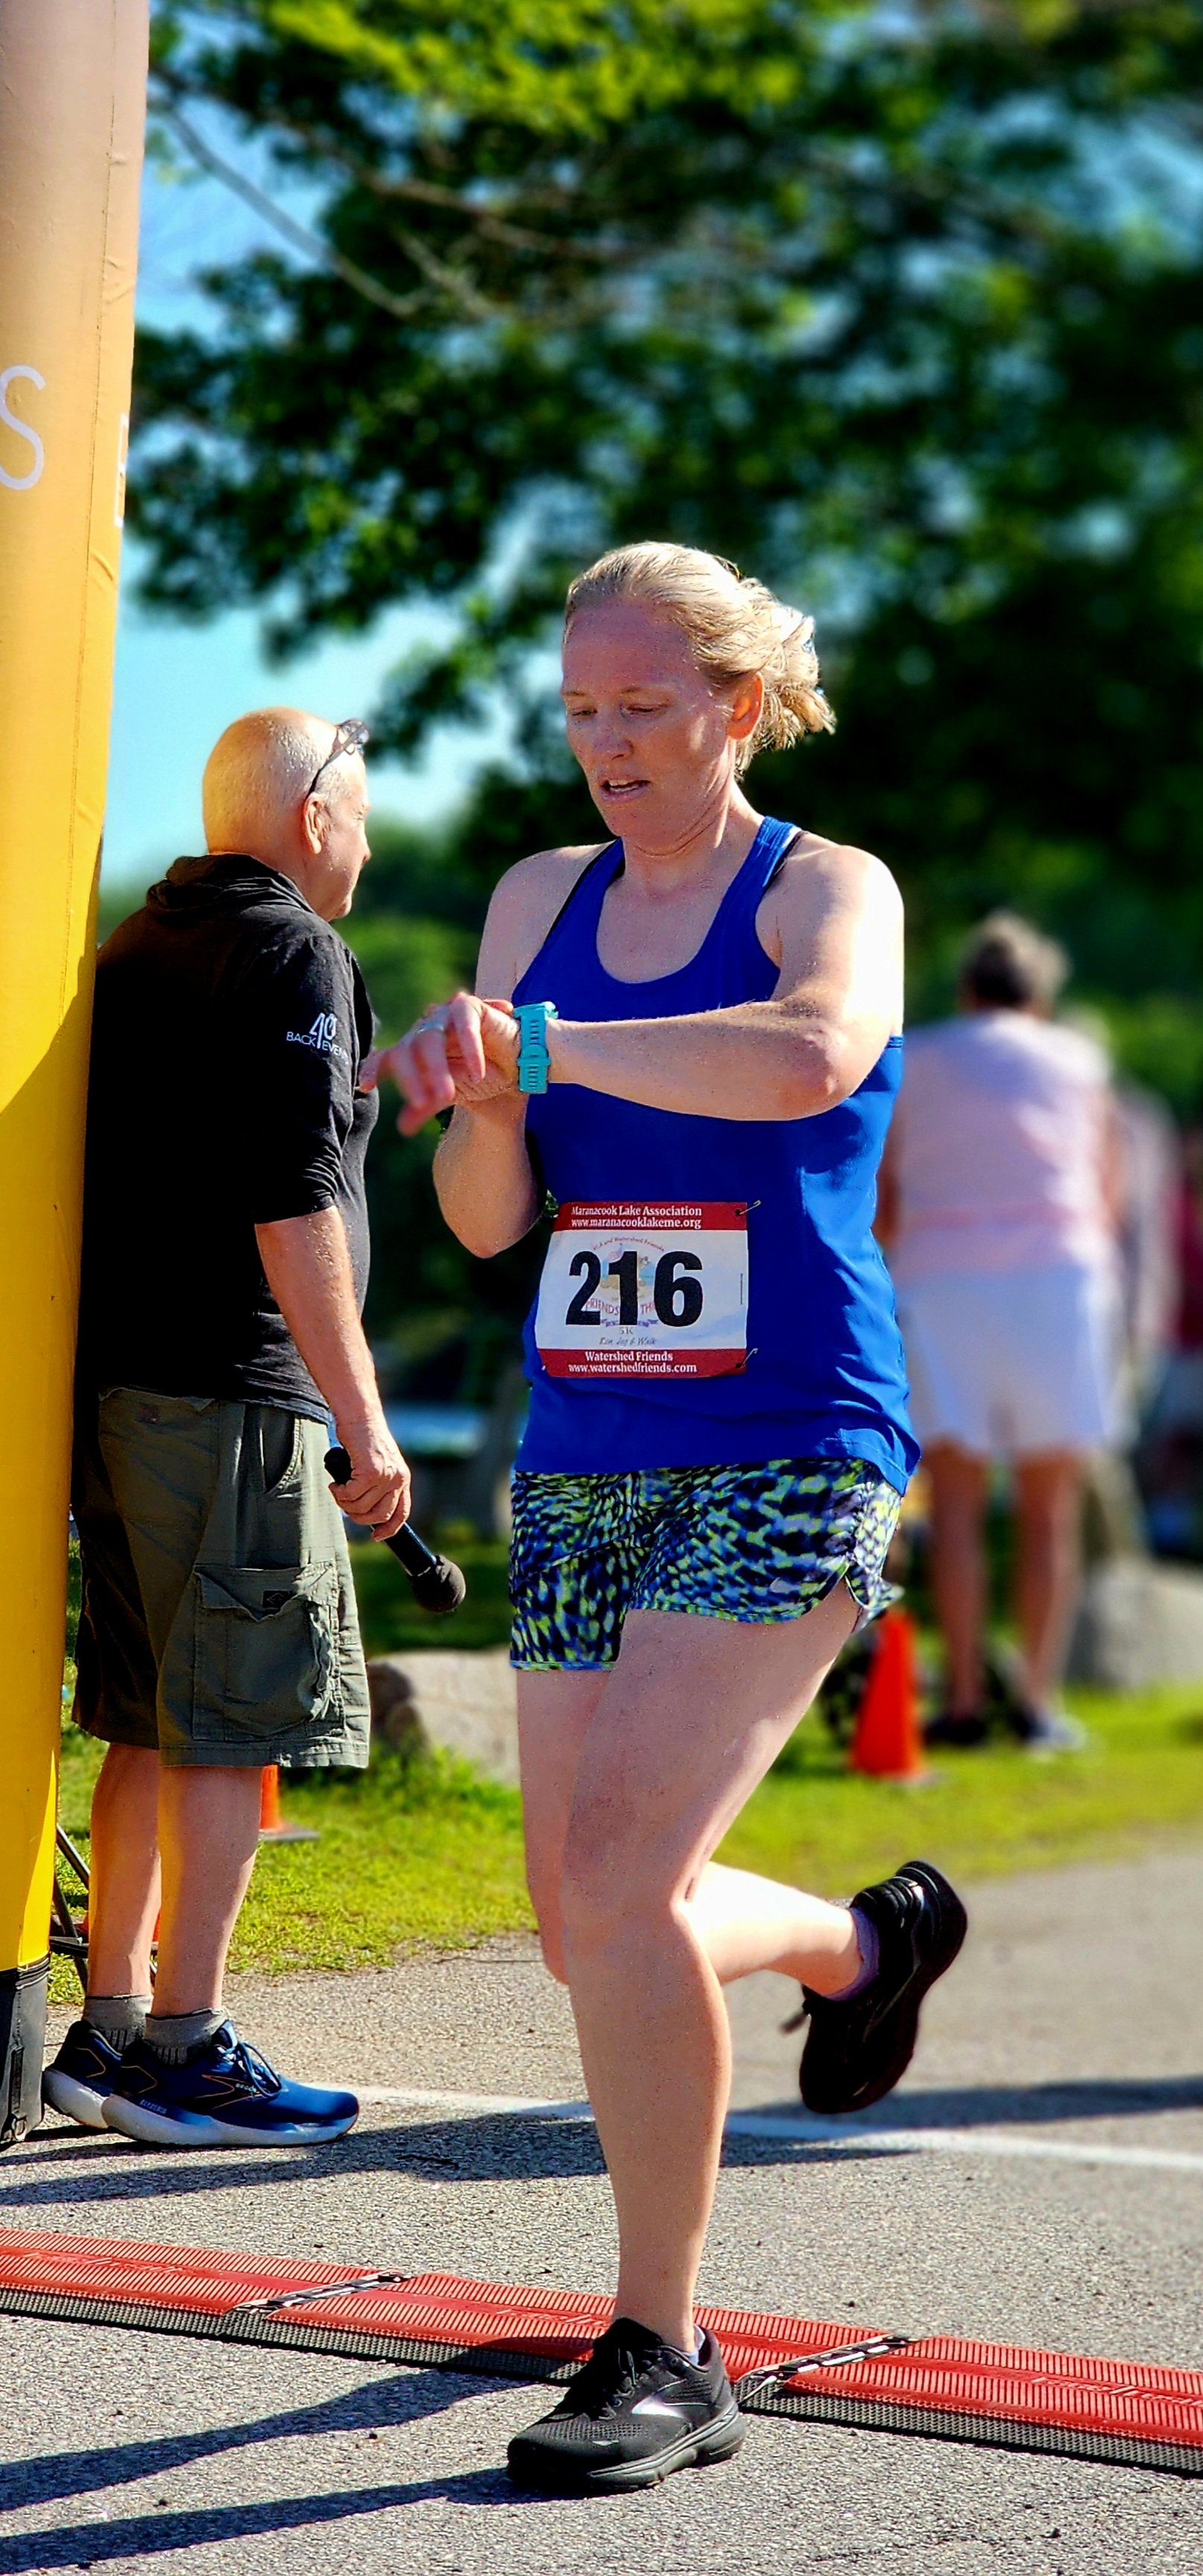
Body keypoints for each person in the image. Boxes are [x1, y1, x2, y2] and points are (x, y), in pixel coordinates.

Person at [374, 542, 966, 2496]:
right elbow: (488, 1221)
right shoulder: (536, 896)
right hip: (583, 1453)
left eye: (642, 707)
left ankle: (666, 2339)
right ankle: (850, 1952)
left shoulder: (824, 887)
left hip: (793, 1434)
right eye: (579, 711)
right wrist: (476, 1091)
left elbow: (810, 1054)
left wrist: (535, 1044)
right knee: (581, 1922)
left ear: (733, 703)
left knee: (620, 1885)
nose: (604, 744)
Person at [43, 709, 410, 2147]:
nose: (370, 844)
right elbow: (291, 1196)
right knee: (230, 1722)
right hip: (232, 1392)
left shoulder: (142, 943)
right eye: (364, 816)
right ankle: (185, 2050)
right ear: (314, 815)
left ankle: (116, 2027)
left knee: (147, 1716)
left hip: (122, 1389)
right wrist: (363, 1419)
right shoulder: (292, 949)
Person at [878, 912, 1123, 1749]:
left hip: (945, 1281)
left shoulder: (922, 1056)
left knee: (955, 1503)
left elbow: (886, 1193)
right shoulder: (1080, 1061)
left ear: (966, 988)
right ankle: (1041, 1702)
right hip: (1057, 1280)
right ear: (1040, 997)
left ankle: (964, 1703)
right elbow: (1106, 1187)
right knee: (1051, 1508)